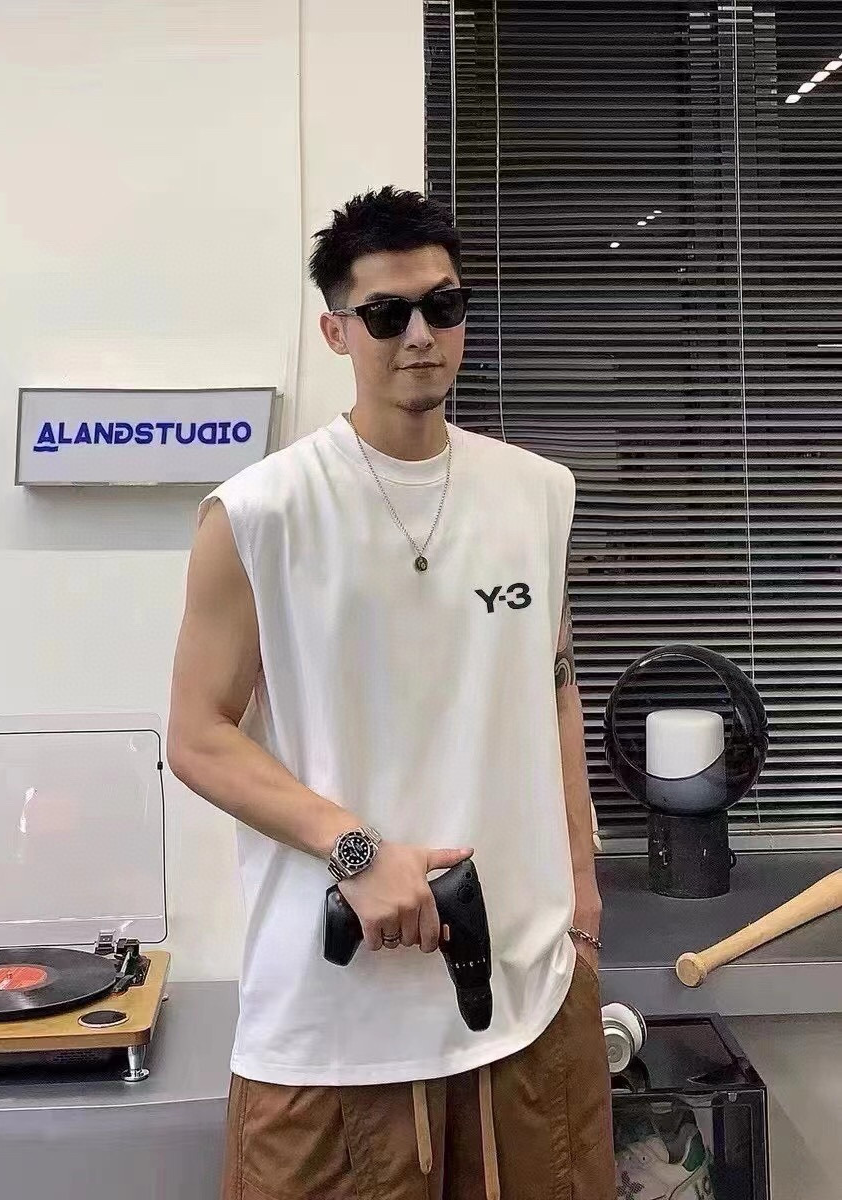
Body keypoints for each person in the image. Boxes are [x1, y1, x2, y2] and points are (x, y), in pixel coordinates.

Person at [167, 186, 614, 1200]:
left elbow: (552, 684)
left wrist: (582, 890)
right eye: (386, 314)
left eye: (443, 307)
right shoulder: (260, 514)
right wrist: (356, 851)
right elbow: (197, 734)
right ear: (337, 330)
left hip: (529, 992)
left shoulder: (538, 494)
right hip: (333, 1013)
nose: (420, 336)